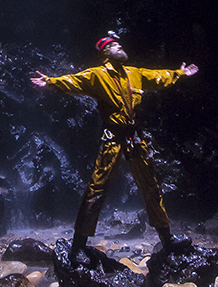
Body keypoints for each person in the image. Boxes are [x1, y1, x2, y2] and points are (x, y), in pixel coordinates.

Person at [31, 32, 198, 264]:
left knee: (151, 186)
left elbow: (159, 77)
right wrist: (50, 82)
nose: (120, 47)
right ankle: (78, 247)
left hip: (134, 137)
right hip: (113, 136)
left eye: (119, 45)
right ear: (105, 53)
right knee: (97, 188)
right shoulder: (98, 75)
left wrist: (179, 73)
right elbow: (73, 80)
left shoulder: (134, 74)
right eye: (114, 46)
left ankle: (167, 240)